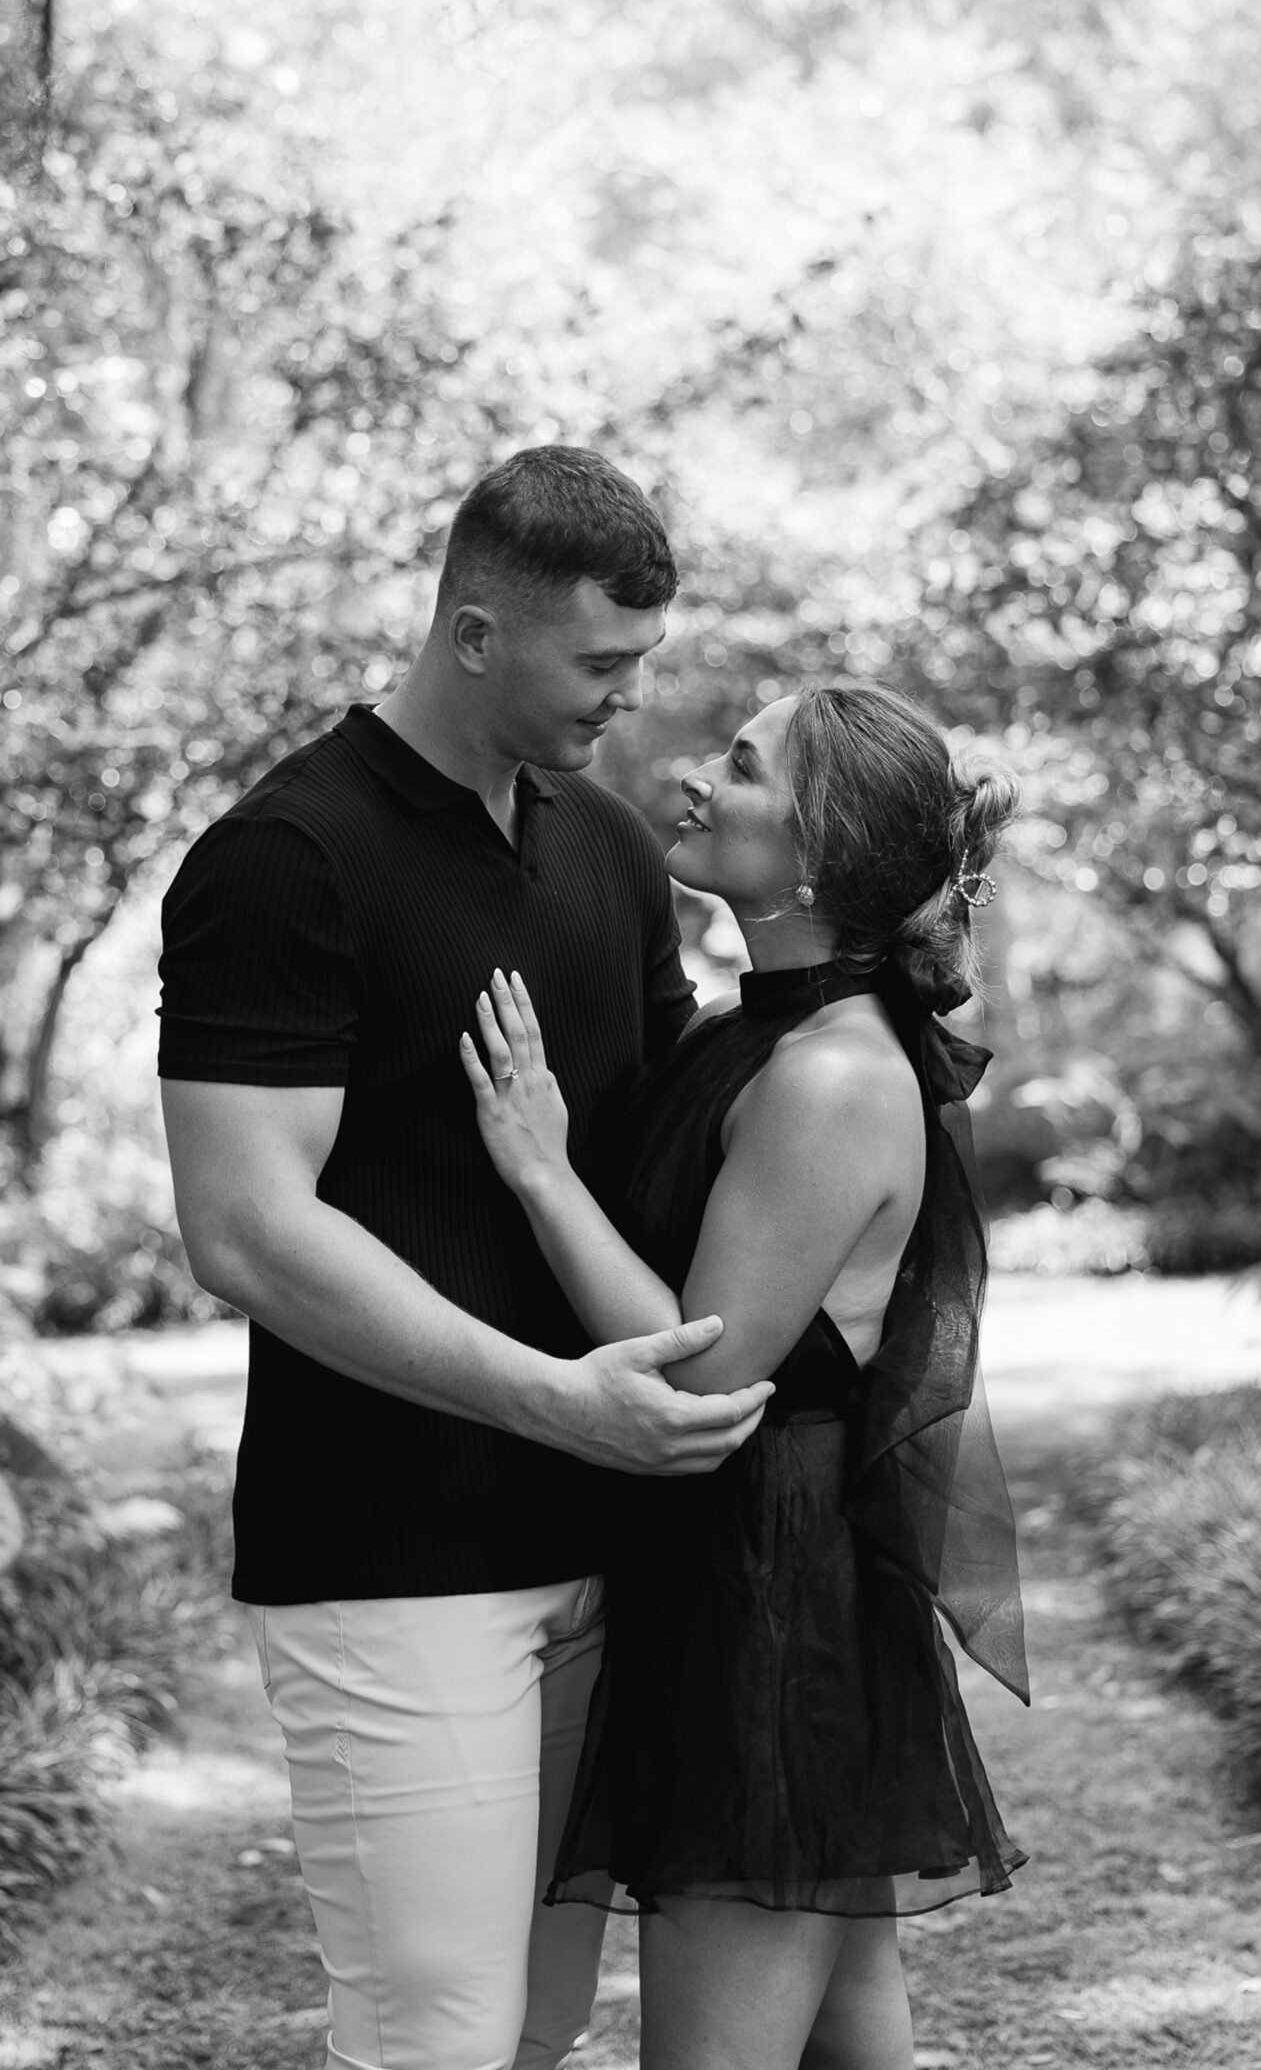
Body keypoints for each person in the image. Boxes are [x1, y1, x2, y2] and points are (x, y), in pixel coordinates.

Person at [157, 446, 774, 2070]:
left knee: (544, 2023)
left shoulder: (612, 854)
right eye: (602, 666)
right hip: (388, 1553)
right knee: (432, 2033)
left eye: (641, 665)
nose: (627, 707)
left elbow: (671, 1152)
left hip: (603, 1541)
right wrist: (557, 1401)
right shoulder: (286, 855)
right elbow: (247, 1230)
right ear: (476, 634)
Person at [461, 679, 1030, 2070]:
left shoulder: (829, 1075)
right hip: (759, 1580)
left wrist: (540, 1173)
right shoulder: (762, 1031)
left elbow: (698, 1370)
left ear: (822, 857)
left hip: (774, 1604)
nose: (695, 778)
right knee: (847, 2037)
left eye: (747, 767)